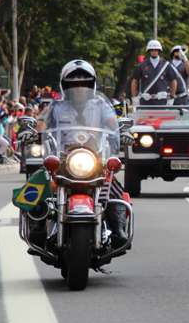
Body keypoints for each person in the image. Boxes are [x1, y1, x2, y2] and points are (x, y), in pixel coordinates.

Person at [37, 60, 129, 248]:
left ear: (92, 85)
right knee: (39, 185)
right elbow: (42, 123)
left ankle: (118, 228)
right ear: (65, 86)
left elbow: (113, 124)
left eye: (84, 84)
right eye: (73, 85)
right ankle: (37, 227)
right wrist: (34, 130)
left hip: (94, 156)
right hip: (63, 158)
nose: (79, 89)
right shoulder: (56, 106)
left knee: (113, 186)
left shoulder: (101, 104)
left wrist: (123, 132)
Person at [130, 40, 179, 106]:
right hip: (145, 101)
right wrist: (134, 98)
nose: (154, 51)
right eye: (152, 50)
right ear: (149, 51)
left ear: (159, 51)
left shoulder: (166, 65)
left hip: (162, 102)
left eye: (156, 50)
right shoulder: (142, 65)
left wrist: (172, 96)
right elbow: (135, 81)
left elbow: (173, 81)